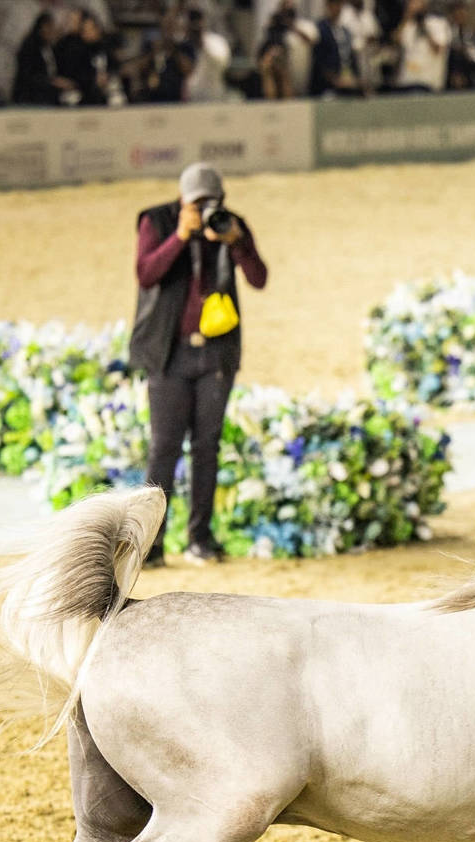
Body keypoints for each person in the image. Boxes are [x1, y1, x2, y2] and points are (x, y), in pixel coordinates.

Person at [132, 164, 270, 565]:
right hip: (168, 352)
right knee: (164, 449)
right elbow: (146, 274)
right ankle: (150, 546)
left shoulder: (230, 226)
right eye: (198, 203)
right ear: (182, 200)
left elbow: (259, 278)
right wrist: (180, 235)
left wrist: (237, 241)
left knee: (207, 447)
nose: (208, 208)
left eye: (214, 202)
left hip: (216, 354)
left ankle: (200, 539)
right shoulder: (156, 221)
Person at [13, 11, 74, 105]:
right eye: (48, 27)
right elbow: (28, 76)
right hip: (30, 97)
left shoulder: (49, 48)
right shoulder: (30, 48)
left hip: (48, 96)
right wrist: (52, 81)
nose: (51, 31)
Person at [394, 0, 453, 89]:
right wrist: (407, 17)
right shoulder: (409, 24)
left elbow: (438, 49)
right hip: (408, 79)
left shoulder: (438, 23)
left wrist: (424, 26)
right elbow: (396, 41)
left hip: (428, 80)